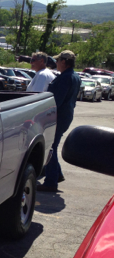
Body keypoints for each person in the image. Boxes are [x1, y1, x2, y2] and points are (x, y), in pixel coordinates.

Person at [37, 50, 81, 193]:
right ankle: (57, 174)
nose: (56, 63)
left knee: (50, 148)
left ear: (64, 62)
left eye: (58, 61)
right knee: (52, 147)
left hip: (58, 116)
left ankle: (51, 182)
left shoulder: (65, 78)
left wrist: (45, 114)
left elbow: (57, 101)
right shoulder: (74, 76)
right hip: (65, 116)